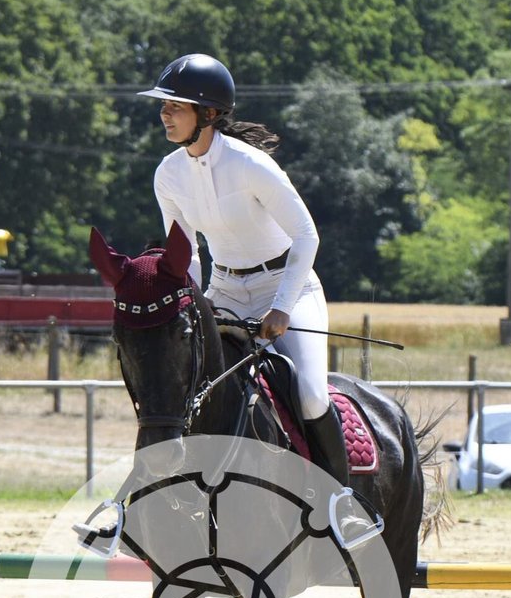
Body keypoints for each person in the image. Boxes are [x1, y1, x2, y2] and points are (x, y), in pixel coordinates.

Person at [138, 53, 377, 548]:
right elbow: (187, 254)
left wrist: (283, 307)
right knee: (180, 388)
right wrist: (193, 305)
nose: (164, 113)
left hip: (287, 285)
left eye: (175, 106)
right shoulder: (168, 174)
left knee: (309, 394)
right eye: (163, 105)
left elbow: (307, 236)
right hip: (223, 291)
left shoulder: (250, 165)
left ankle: (342, 504)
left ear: (207, 113)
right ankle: (149, 506)